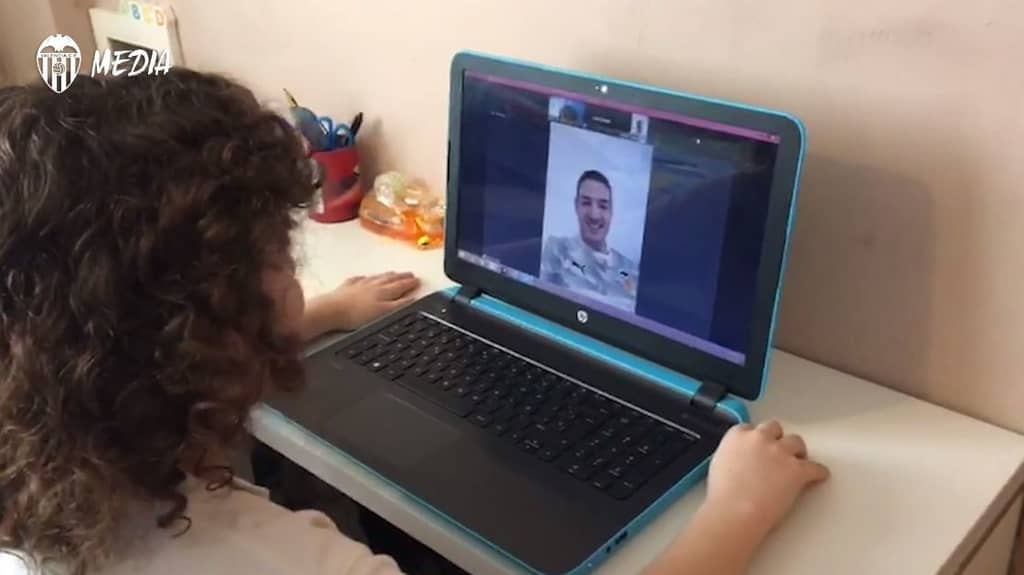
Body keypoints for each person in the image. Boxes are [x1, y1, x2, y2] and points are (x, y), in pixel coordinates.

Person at [0, 69, 828, 575]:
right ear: (204, 329)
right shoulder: (283, 560)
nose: (295, 272)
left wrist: (327, 312)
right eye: (280, 255)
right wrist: (737, 511)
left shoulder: (45, 453)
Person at [540, 170, 641, 311]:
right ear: (576, 206)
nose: (594, 215)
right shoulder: (557, 249)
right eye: (586, 203)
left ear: (611, 211)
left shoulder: (631, 269)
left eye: (603, 206)